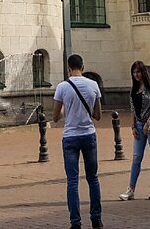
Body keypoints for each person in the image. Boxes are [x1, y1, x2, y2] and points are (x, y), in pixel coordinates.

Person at [52, 53, 104, 229]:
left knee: (72, 181)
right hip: (88, 134)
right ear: (83, 67)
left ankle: (75, 222)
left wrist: (67, 109)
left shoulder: (62, 87)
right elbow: (98, 115)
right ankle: (96, 218)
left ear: (68, 68)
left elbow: (55, 117)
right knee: (93, 178)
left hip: (70, 136)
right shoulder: (93, 84)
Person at [118, 61, 150, 202]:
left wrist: (149, 123)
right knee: (136, 157)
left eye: (138, 72)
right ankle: (131, 189)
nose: (136, 75)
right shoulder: (134, 89)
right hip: (139, 124)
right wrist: (133, 126)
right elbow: (132, 109)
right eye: (134, 72)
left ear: (143, 72)